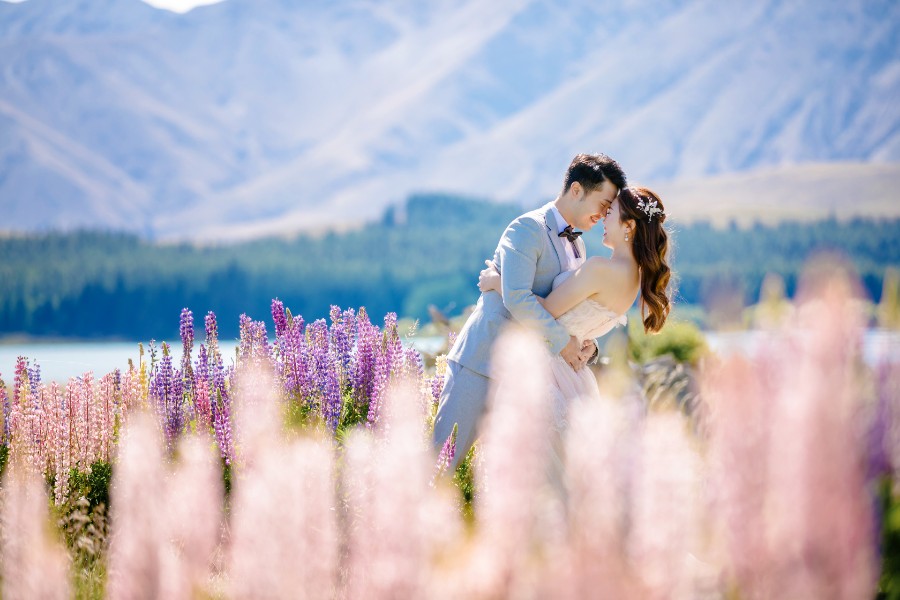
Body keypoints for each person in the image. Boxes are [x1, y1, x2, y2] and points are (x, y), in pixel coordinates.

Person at [431, 153, 627, 469]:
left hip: (527, 380)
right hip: (482, 362)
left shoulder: (580, 248)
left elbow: (568, 309)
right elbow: (519, 298)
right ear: (576, 190)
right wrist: (564, 342)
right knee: (441, 466)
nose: (605, 214)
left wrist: (585, 344)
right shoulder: (527, 228)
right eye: (604, 203)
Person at [478, 186, 672, 432]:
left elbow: (547, 310)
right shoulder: (634, 282)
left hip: (547, 374)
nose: (603, 217)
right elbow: (585, 323)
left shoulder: (599, 269)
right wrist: (587, 343)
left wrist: (498, 282)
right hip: (575, 379)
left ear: (629, 226)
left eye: (610, 212)